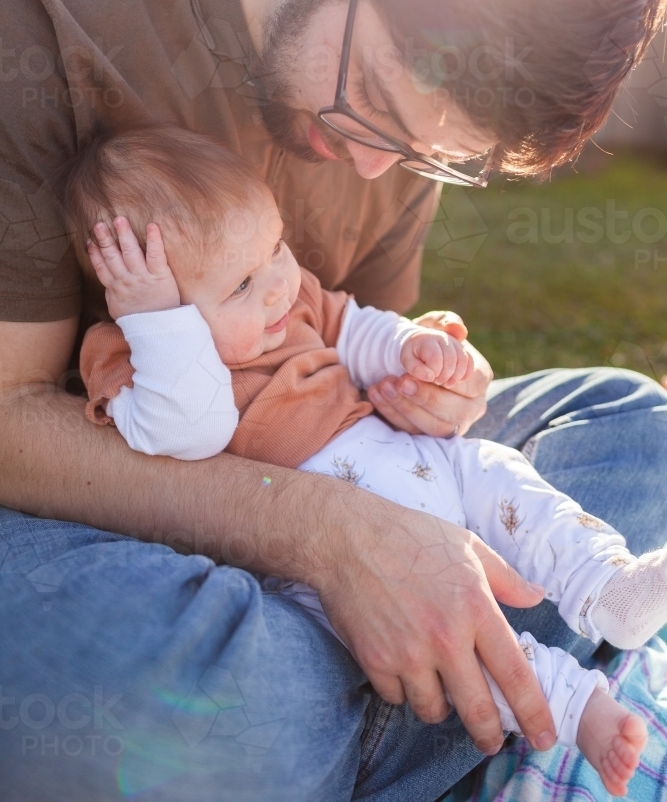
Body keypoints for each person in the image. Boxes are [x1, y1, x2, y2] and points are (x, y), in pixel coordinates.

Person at [1, 0, 666, 797]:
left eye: (428, 153)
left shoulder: (393, 116)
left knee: (634, 432)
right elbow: (8, 423)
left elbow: (356, 390)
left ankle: (419, 703)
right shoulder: (39, 5)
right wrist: (325, 534)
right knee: (235, 701)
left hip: (311, 498)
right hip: (83, 517)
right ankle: (476, 711)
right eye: (374, 110)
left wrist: (418, 388)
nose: (372, 163)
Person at [68, 125, 662, 795]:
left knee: (505, 471)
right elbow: (190, 431)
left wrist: (417, 352)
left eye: (276, 249)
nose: (276, 289)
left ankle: (605, 586)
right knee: (457, 647)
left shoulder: (282, 302)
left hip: (415, 460)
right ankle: (575, 707)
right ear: (145, 303)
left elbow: (355, 327)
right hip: (326, 570)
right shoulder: (124, 354)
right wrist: (157, 325)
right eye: (238, 285)